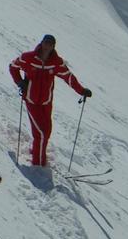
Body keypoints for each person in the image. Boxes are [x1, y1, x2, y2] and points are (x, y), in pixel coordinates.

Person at [9, 34, 91, 167]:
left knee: (46, 131)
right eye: (46, 43)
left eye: (50, 44)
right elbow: (13, 67)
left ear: (53, 47)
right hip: (31, 100)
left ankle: (36, 151)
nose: (47, 46)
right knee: (40, 133)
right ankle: (38, 164)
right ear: (41, 43)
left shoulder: (56, 62)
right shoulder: (28, 58)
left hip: (46, 102)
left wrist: (81, 91)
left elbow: (68, 77)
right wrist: (19, 82)